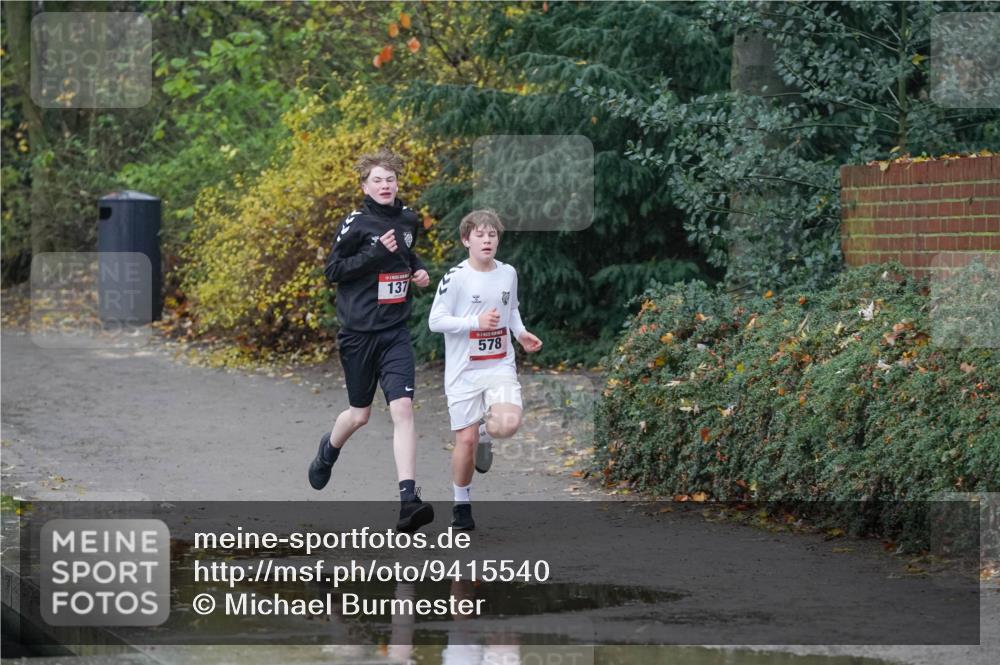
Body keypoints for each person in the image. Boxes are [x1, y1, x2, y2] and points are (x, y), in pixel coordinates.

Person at [308, 147, 434, 533]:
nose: (385, 185)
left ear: (398, 183)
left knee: (403, 410)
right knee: (359, 415)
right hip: (358, 334)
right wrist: (376, 253)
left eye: (390, 179)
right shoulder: (357, 223)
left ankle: (407, 500)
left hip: (394, 332)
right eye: (377, 180)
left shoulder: (409, 218)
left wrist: (419, 271)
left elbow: (407, 258)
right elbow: (334, 270)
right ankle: (328, 449)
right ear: (365, 185)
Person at [428, 209, 543, 530]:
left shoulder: (508, 273)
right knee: (463, 442)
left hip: (499, 365)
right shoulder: (456, 278)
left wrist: (520, 334)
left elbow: (513, 309)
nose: (487, 240)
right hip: (464, 372)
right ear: (467, 240)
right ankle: (461, 506)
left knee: (506, 424)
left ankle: (484, 432)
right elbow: (435, 321)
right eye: (480, 235)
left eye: (492, 235)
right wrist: (474, 323)